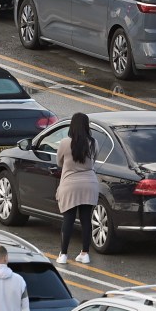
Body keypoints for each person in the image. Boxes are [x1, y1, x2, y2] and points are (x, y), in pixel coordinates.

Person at [55, 113, 99, 265]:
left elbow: (59, 162)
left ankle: (63, 255)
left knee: (68, 219)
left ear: (72, 125)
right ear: (87, 126)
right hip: (90, 184)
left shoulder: (65, 143)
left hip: (70, 184)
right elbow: (93, 162)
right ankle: (85, 253)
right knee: (86, 219)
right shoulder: (93, 143)